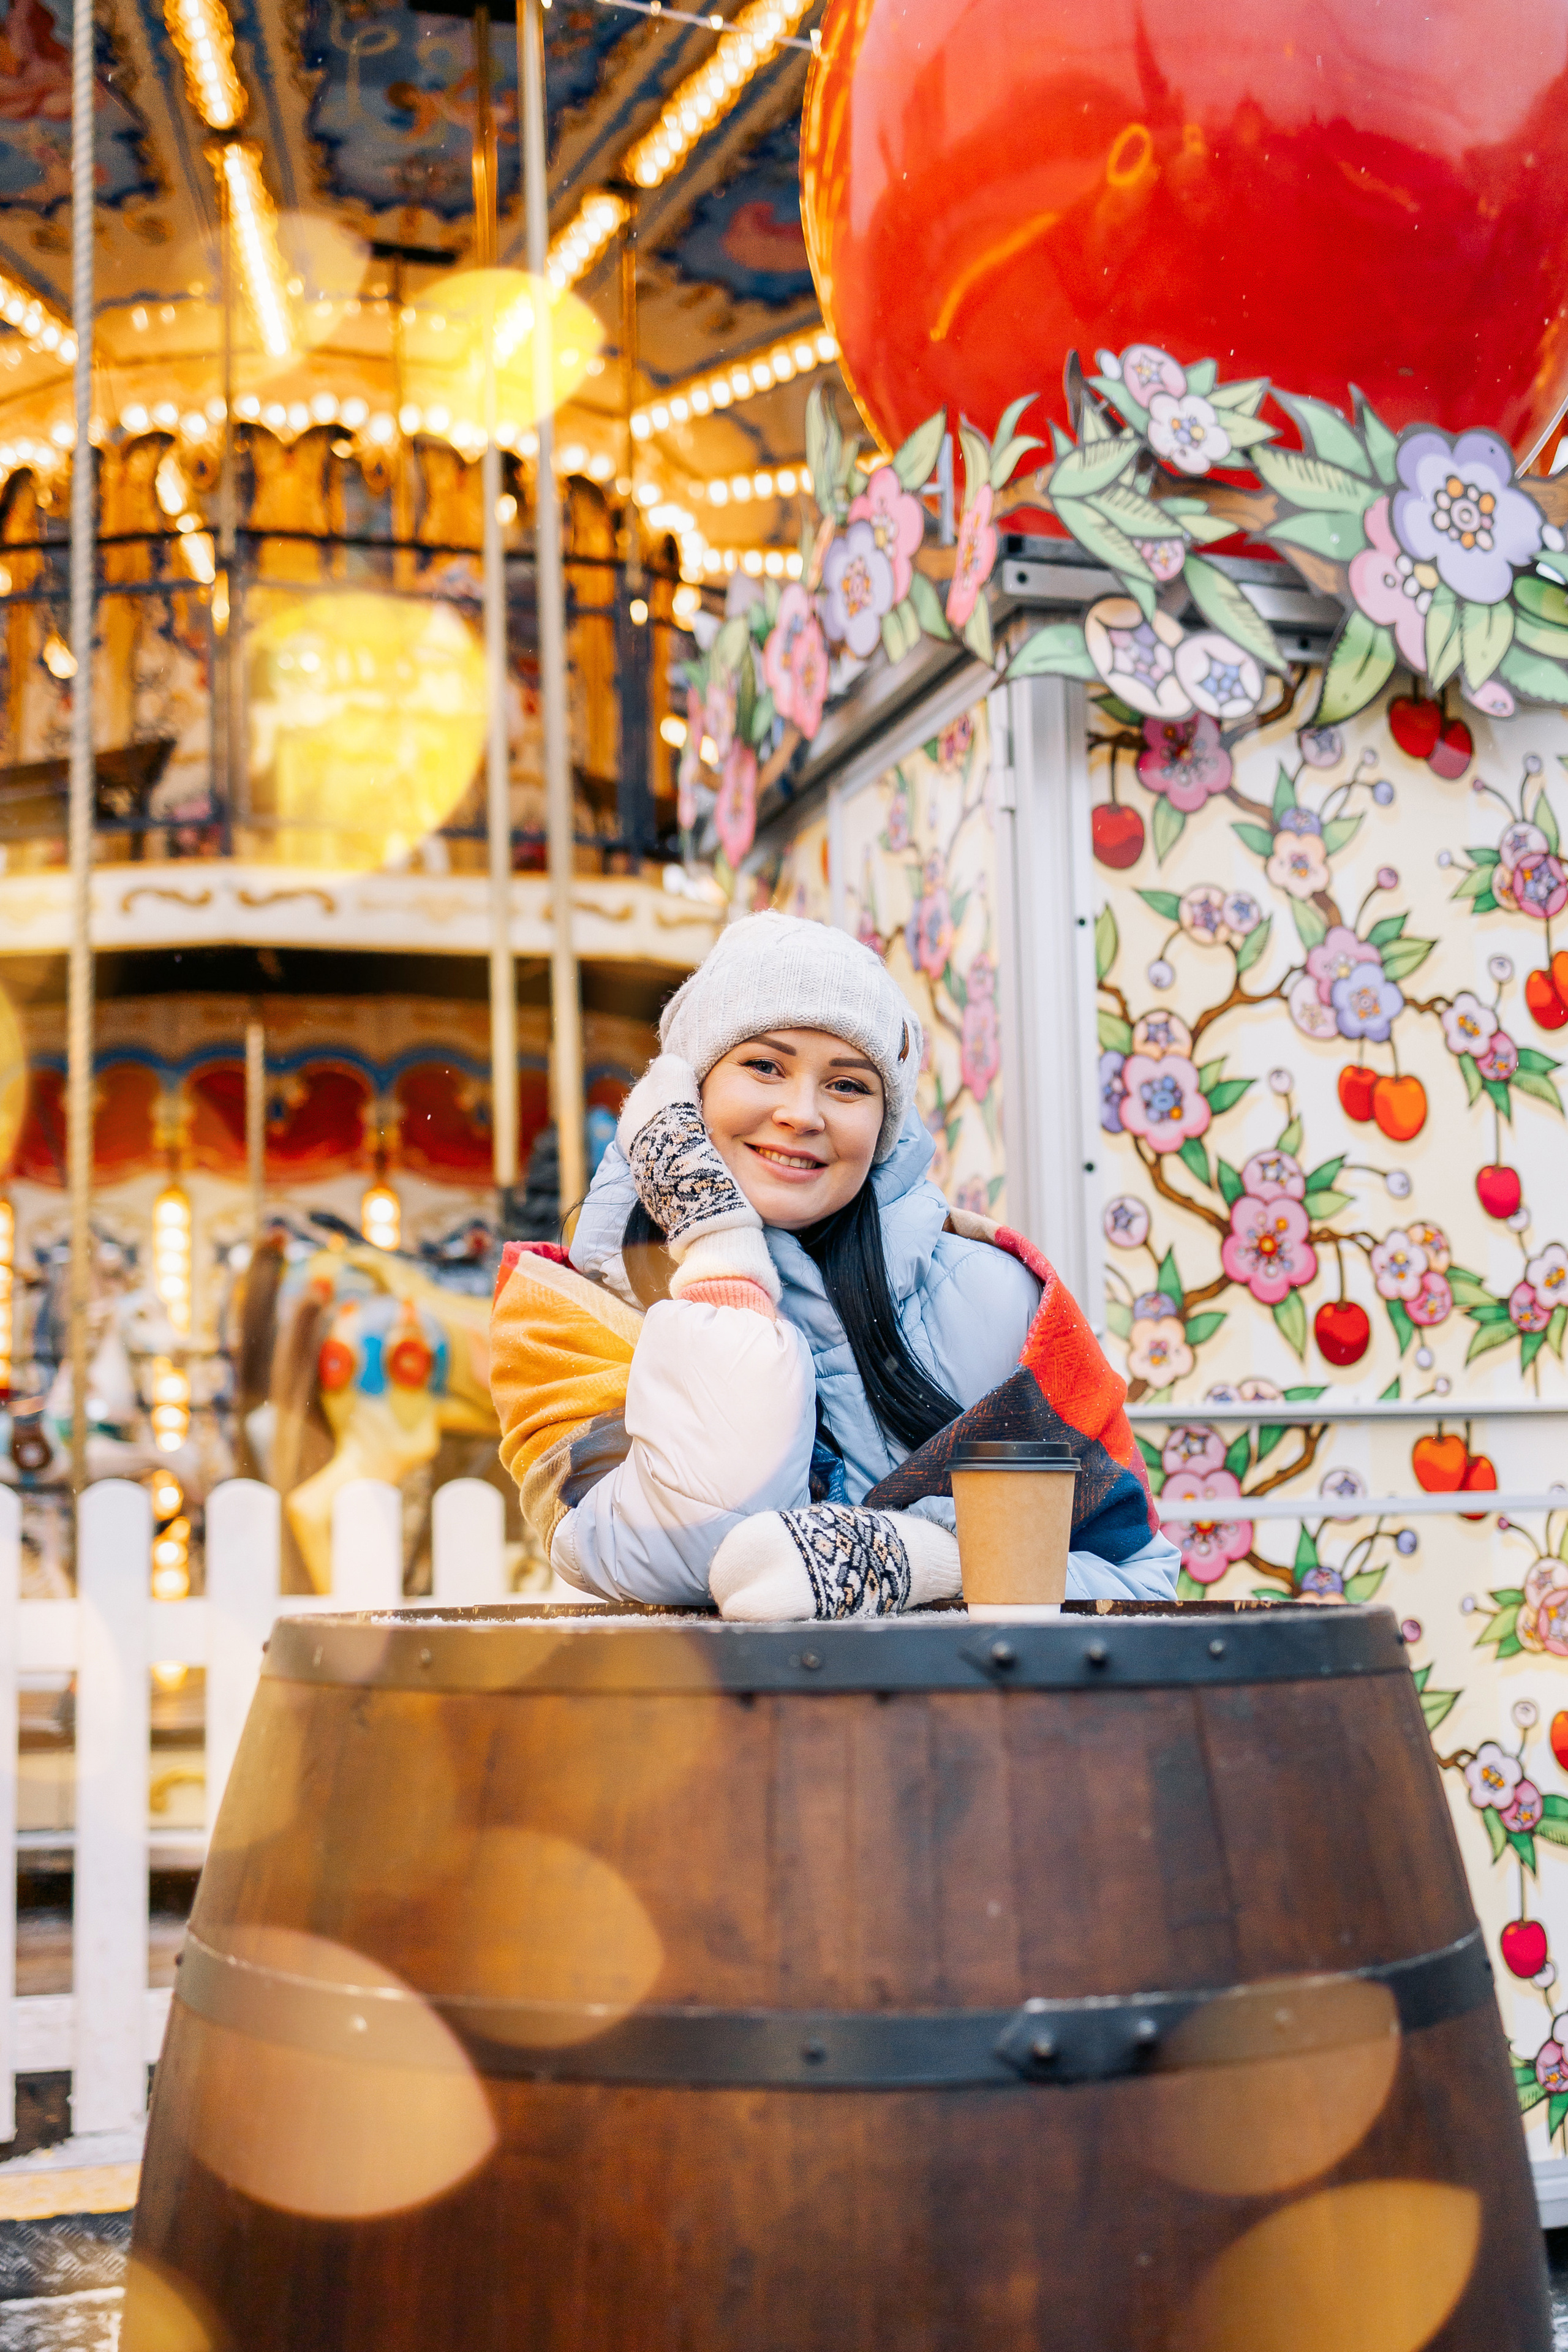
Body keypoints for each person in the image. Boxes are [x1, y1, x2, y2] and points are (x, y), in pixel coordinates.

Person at [491, 912, 1178, 1619]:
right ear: (686, 1093)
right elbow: (684, 1556)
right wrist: (717, 1243)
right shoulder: (572, 1316)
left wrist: (926, 1563)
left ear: (884, 1125)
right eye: (764, 1066)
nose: (802, 1113)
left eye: (848, 1085)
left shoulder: (1004, 1301)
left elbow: (1137, 1583)